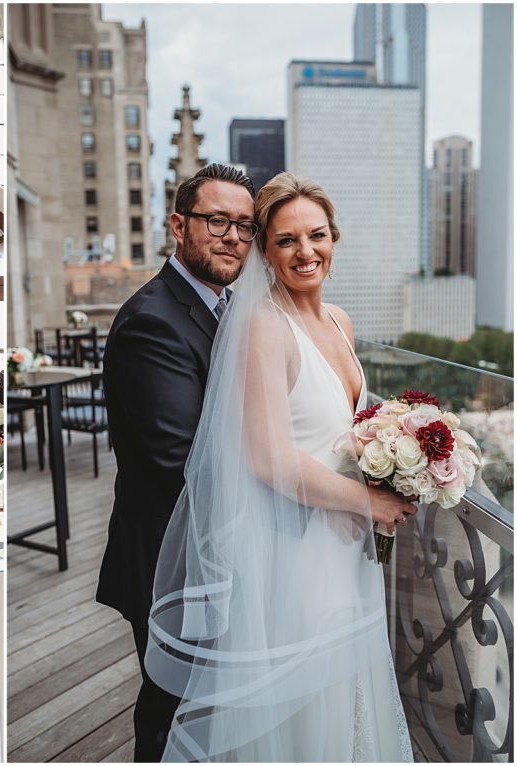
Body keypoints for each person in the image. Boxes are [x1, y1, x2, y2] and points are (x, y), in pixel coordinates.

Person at [147, 173, 415, 761]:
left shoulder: (340, 321)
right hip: (295, 550)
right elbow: (268, 457)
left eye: (315, 235)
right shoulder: (267, 327)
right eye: (286, 240)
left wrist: (393, 460)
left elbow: (342, 430)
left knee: (349, 694)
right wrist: (368, 502)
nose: (305, 251)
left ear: (334, 239)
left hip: (346, 545)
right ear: (264, 252)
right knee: (305, 706)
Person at [96, 163, 258, 762]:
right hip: (174, 557)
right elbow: (181, 459)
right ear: (178, 225)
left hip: (219, 548)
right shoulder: (153, 322)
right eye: (216, 220)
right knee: (172, 704)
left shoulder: (225, 306)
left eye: (245, 225)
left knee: (204, 702)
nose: (232, 237)